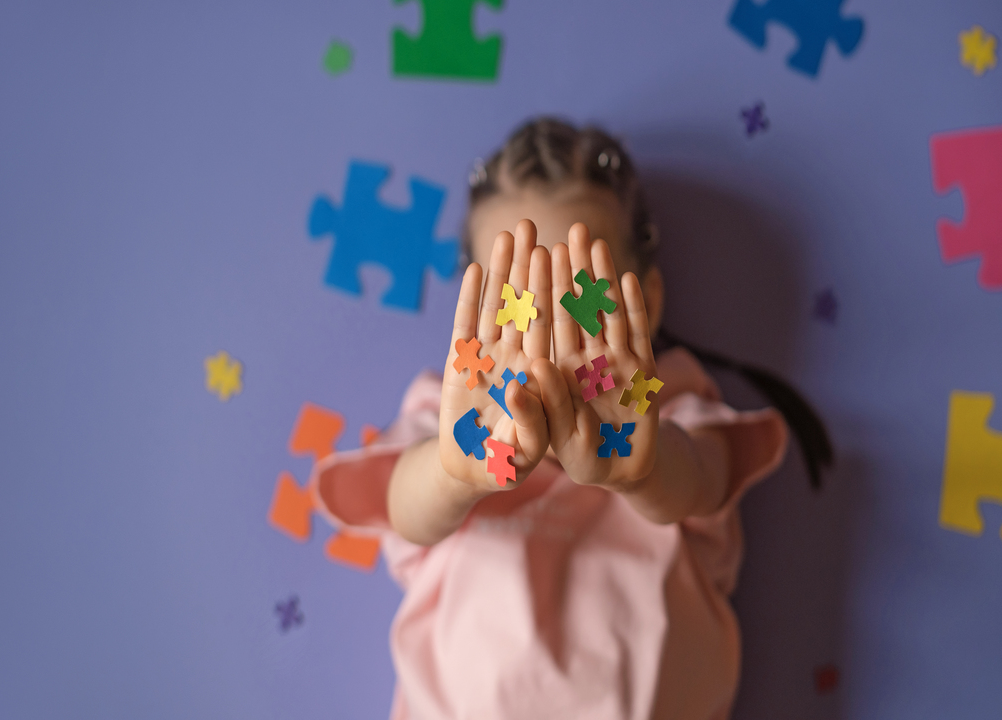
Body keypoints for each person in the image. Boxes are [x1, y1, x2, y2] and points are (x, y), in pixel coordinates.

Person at [310, 118, 825, 719]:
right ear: (474, 315)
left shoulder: (673, 409)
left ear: (646, 303)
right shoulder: (452, 418)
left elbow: (704, 482)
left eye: (581, 296)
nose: (551, 336)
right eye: (517, 300)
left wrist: (642, 470)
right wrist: (457, 472)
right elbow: (404, 508)